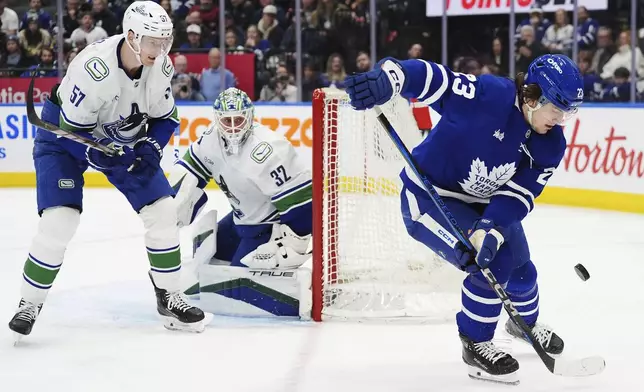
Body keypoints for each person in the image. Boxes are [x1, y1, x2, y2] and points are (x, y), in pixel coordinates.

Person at [344, 53, 584, 384]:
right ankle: (476, 343)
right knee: (492, 264)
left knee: (522, 272)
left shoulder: (551, 143)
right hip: (430, 198)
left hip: (483, 205)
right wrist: (391, 80)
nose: (559, 119)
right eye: (557, 108)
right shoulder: (490, 96)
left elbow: (519, 195)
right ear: (532, 95)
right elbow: (436, 80)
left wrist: (490, 227)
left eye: (568, 112)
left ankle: (523, 323)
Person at [9, 1, 209, 340]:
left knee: (162, 210)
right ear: (131, 37)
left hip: (118, 141)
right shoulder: (93, 67)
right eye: (152, 41)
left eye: (165, 42)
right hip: (63, 139)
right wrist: (101, 156)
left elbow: (166, 118)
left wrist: (151, 147)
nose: (159, 49)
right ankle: (29, 302)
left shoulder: (161, 66)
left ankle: (170, 295)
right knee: (60, 219)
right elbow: (71, 133)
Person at [171, 87, 312, 269]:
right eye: (226, 120)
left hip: (266, 227)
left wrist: (290, 247)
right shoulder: (211, 139)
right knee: (204, 263)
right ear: (217, 119)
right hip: (240, 221)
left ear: (249, 117)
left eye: (238, 120)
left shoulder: (270, 150)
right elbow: (190, 171)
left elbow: (303, 207)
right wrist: (173, 202)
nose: (232, 128)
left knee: (231, 287)